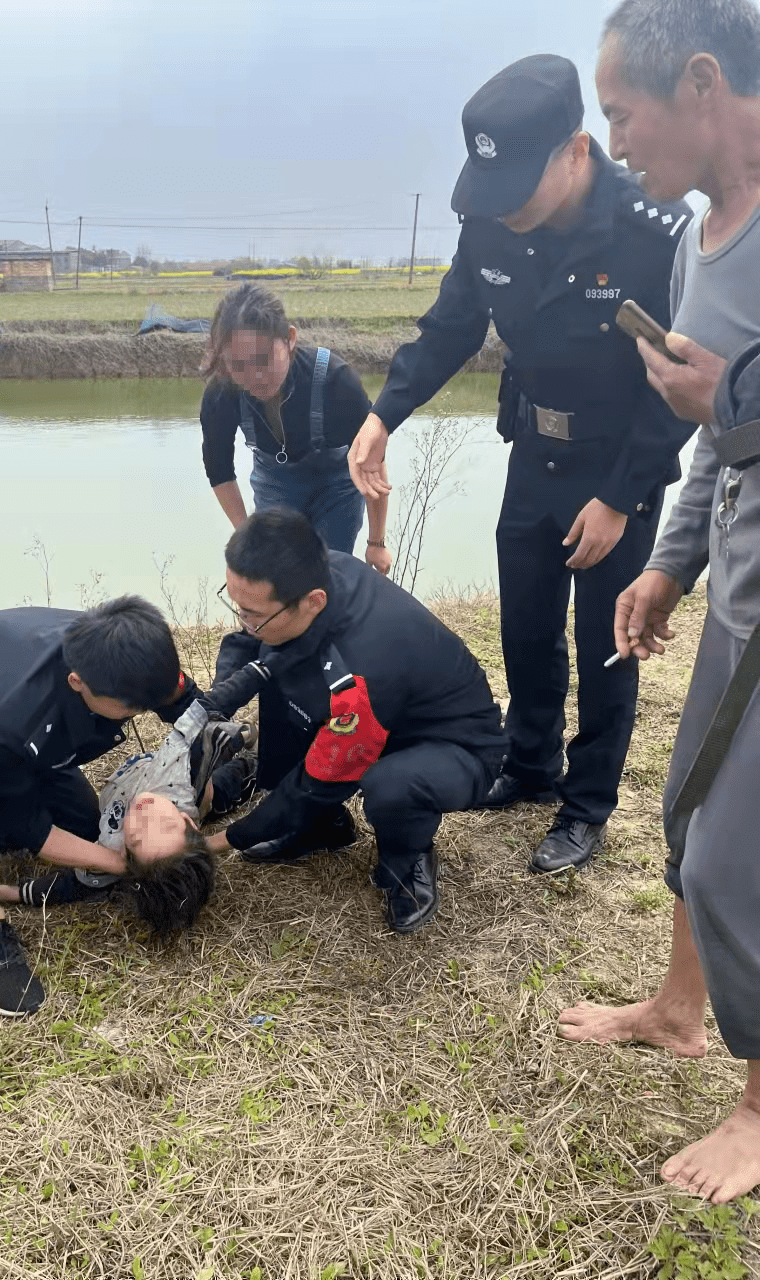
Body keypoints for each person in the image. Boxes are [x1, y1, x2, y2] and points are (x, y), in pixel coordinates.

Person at [347, 55, 695, 874]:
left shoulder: (653, 234)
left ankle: (587, 805)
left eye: (519, 194)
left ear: (576, 151)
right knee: (526, 625)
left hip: (619, 468)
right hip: (534, 455)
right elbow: (450, 328)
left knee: (608, 640)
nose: (505, 215)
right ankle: (531, 764)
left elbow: (676, 387)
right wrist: (381, 415)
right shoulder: (492, 221)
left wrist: (618, 497)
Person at [558, 0, 760, 1206]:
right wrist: (670, 561)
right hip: (736, 582)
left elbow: (725, 411)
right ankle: (680, 1009)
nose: (615, 142)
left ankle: (758, 1106)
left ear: (698, 85)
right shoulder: (698, 241)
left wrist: (727, 406)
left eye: (622, 116)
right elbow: (714, 438)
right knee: (690, 829)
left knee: (740, 857)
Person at [0, 597, 209, 1018]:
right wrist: (122, 864)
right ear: (77, 681)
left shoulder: (132, 650)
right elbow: (33, 828)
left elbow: (186, 706)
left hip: (12, 728)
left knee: (88, 828)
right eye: (131, 708)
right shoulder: (18, 710)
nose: (140, 713)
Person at [204, 508, 507, 934]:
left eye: (253, 613)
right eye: (237, 605)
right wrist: (211, 707)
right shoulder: (321, 571)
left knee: (389, 785)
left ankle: (408, 858)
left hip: (456, 744)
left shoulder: (367, 661)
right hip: (385, 715)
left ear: (313, 602)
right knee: (277, 669)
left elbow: (320, 778)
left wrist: (221, 841)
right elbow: (245, 642)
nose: (244, 622)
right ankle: (320, 828)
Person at [0, 664, 262, 921]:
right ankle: (251, 759)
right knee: (221, 783)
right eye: (164, 824)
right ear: (186, 820)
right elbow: (208, 709)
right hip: (190, 787)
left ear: (124, 856)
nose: (145, 812)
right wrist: (263, 670)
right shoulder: (181, 776)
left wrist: (12, 893)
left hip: (143, 781)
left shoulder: (112, 850)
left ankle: (247, 762)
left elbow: (73, 886)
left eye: (136, 836)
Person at [200, 282, 392, 572]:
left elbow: (373, 465)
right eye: (238, 365)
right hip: (274, 485)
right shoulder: (221, 393)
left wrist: (376, 543)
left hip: (337, 486)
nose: (255, 377)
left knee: (330, 572)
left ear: (289, 339)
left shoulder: (336, 382)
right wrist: (246, 533)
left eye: (262, 360)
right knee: (277, 575)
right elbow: (219, 471)